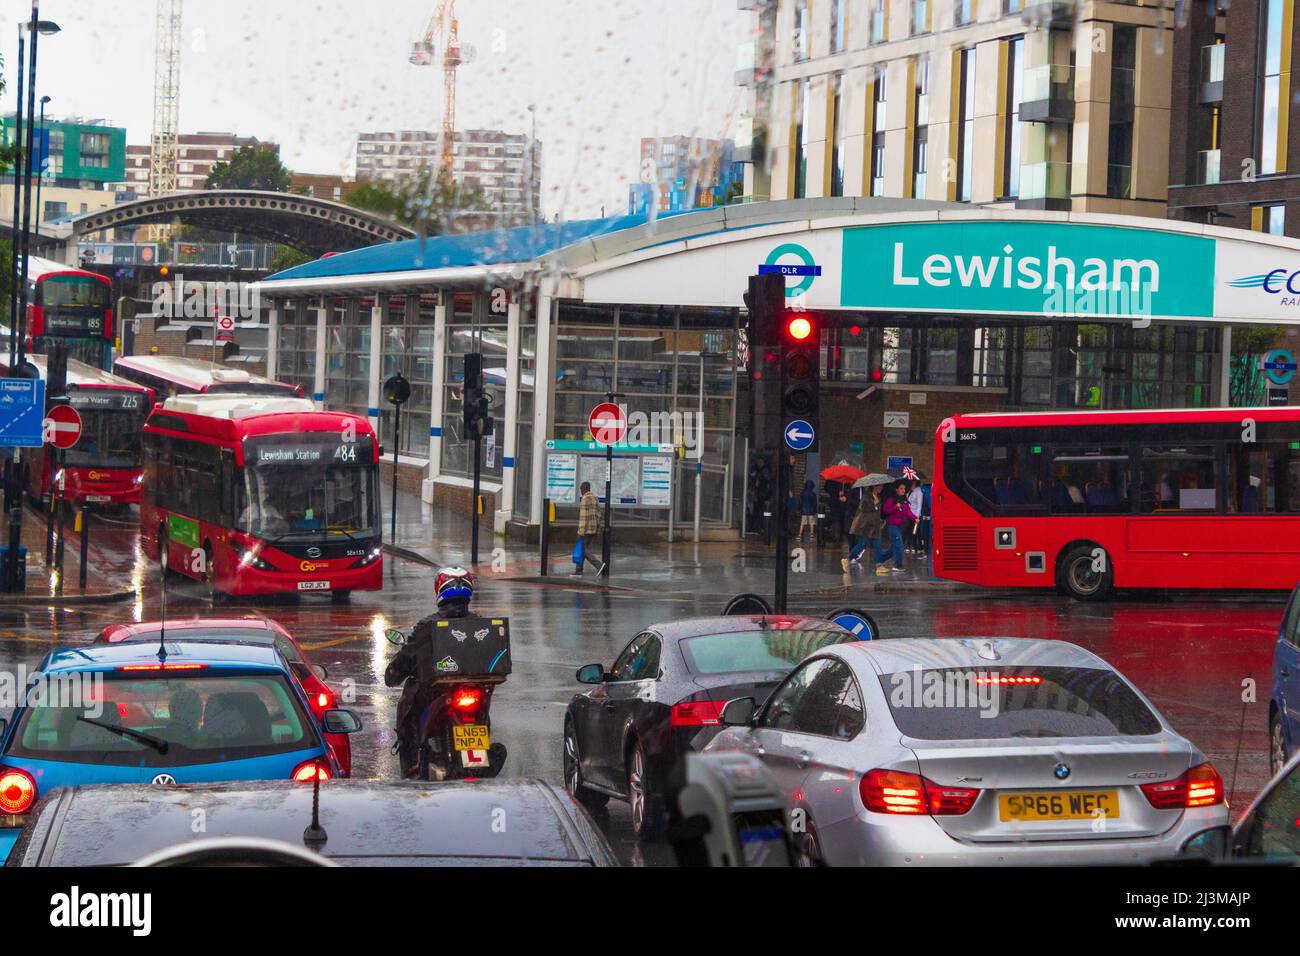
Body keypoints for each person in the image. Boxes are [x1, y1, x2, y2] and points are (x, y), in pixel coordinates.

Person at [384, 566, 474, 778]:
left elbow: (404, 661)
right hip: (472, 689)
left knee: (409, 709)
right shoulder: (480, 623)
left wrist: (393, 673)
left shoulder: (427, 626)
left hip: (437, 694)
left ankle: (412, 762)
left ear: (439, 590)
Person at [843, 485, 886, 573]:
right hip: (866, 526)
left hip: (874, 526)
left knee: (877, 545)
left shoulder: (877, 496)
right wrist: (874, 504)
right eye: (879, 486)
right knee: (862, 544)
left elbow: (877, 510)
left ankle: (879, 565)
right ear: (874, 487)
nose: (881, 488)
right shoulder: (866, 496)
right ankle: (848, 559)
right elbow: (863, 507)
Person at [572, 481, 606, 576]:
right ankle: (578, 571)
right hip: (593, 529)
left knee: (582, 550)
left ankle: (599, 565)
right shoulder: (595, 498)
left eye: (581, 489)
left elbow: (583, 517)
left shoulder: (584, 499)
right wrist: (598, 529)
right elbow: (599, 514)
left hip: (585, 530)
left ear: (584, 489)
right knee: (582, 549)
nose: (581, 491)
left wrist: (580, 532)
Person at [881, 481, 917, 573]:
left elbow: (907, 512)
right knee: (899, 546)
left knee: (894, 548)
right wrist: (895, 507)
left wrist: (915, 518)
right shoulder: (891, 499)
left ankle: (879, 558)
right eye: (901, 488)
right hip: (892, 526)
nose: (903, 490)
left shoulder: (904, 500)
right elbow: (886, 511)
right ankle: (897, 565)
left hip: (899, 526)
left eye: (904, 489)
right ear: (896, 489)